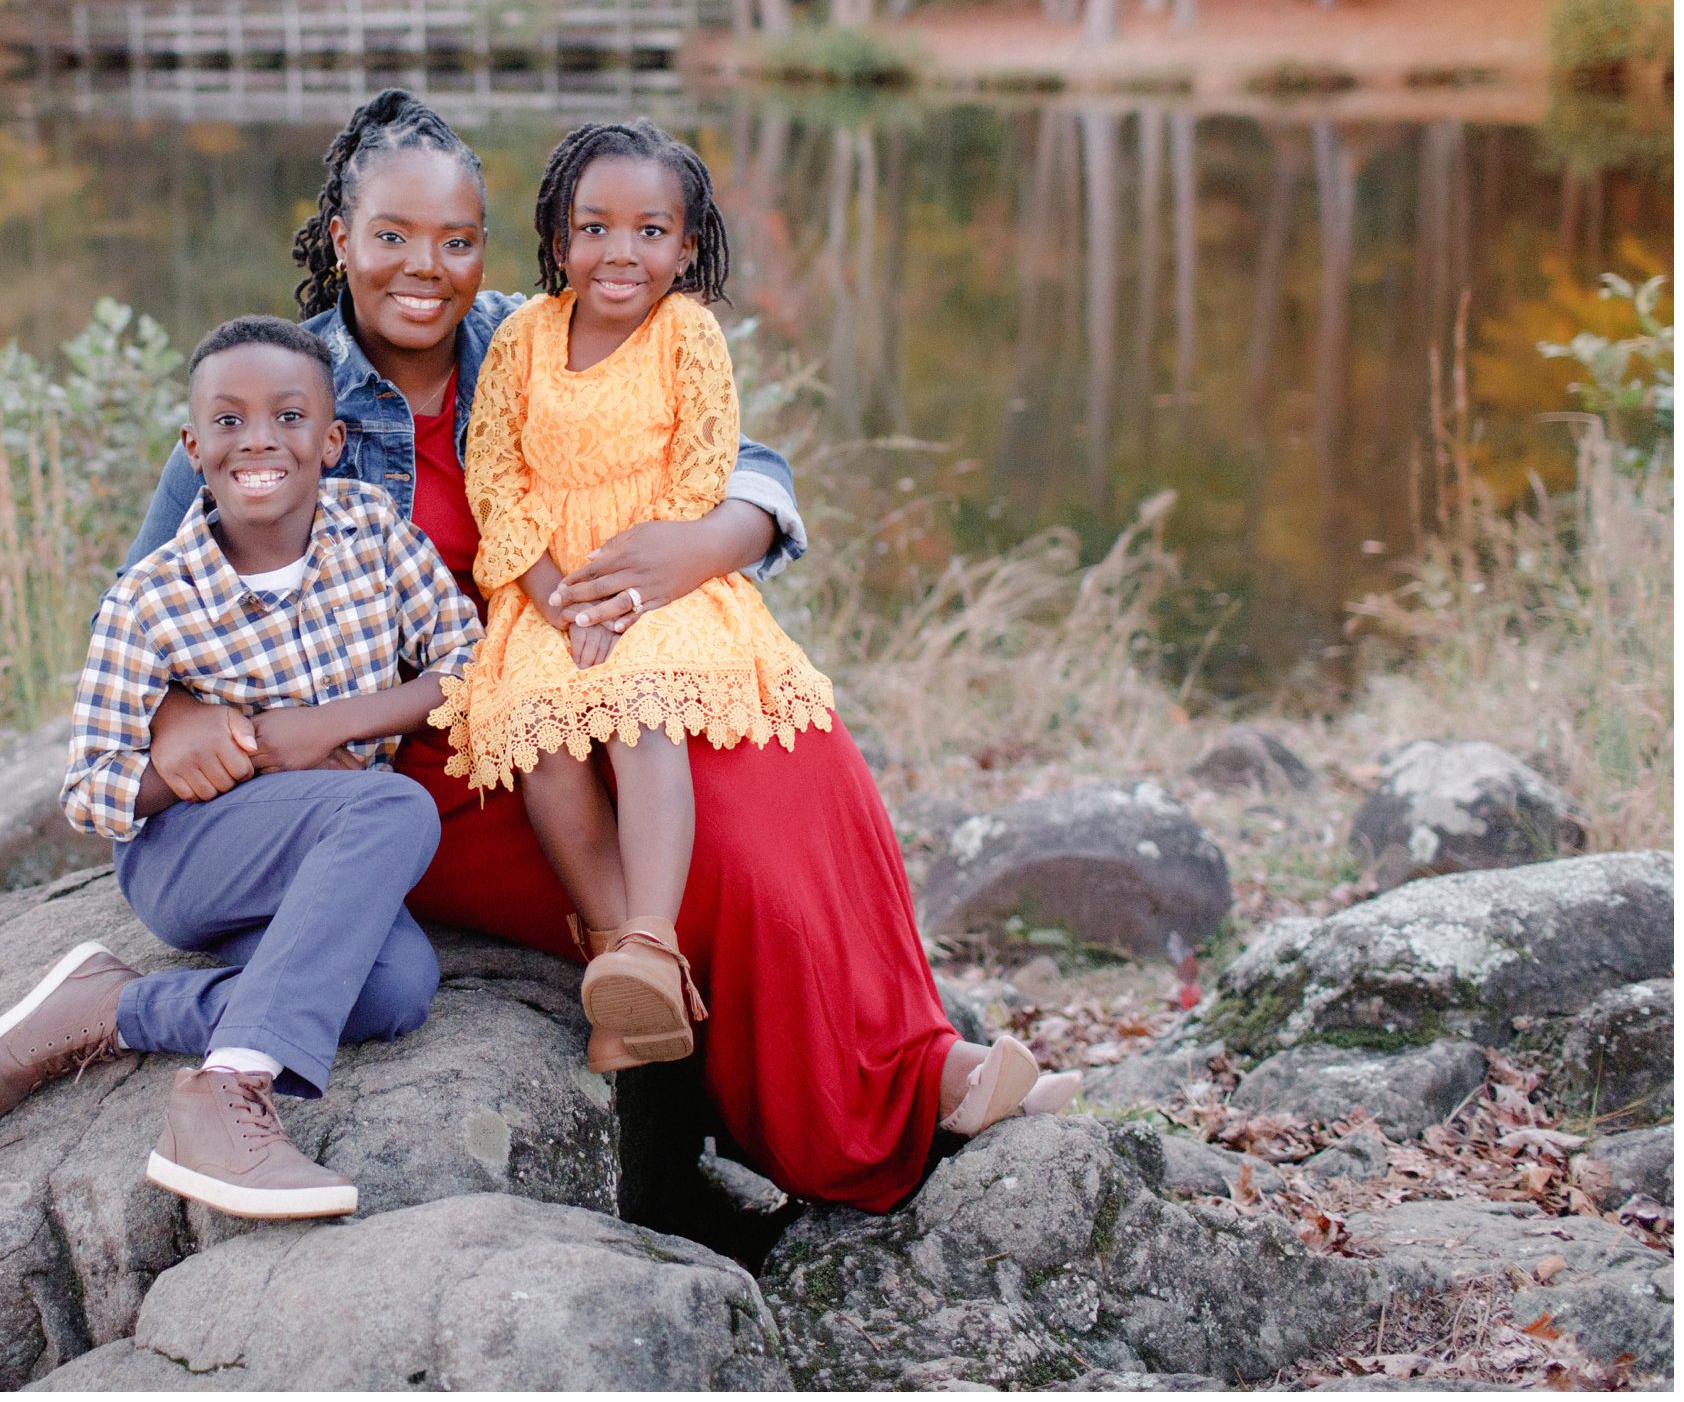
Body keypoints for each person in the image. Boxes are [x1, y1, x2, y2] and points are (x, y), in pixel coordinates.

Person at [106, 89, 1057, 1230]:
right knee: (725, 855)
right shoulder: (275, 389)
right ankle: (831, 1119)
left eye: (456, 241)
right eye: (393, 237)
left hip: (591, 673)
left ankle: (925, 1057)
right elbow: (143, 600)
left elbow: (749, 461)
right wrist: (171, 715)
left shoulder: (526, 336)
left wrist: (710, 542)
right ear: (339, 236)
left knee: (790, 748)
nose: (426, 268)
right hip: (431, 755)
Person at [0, 311, 480, 1228]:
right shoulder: (153, 596)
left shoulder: (373, 533)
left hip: (317, 855)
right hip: (193, 859)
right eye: (228, 421)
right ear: (193, 446)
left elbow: (472, 666)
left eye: (289, 416)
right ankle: (224, 1097)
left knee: (394, 991)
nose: (259, 438)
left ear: (333, 438)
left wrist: (325, 727)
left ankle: (117, 1008)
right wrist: (235, 751)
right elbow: (91, 788)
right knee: (390, 808)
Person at [438, 126, 839, 1080]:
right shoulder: (524, 338)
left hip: (654, 587)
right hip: (543, 596)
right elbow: (494, 475)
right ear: (559, 238)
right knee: (539, 739)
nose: (623, 251)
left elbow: (699, 477)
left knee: (639, 703)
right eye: (596, 227)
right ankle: (623, 971)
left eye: (652, 229)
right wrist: (556, 599)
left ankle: (651, 939)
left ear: (688, 244)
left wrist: (614, 604)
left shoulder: (687, 335)